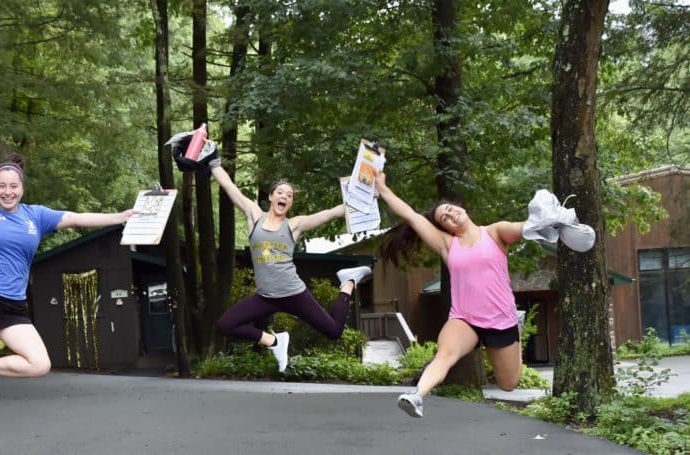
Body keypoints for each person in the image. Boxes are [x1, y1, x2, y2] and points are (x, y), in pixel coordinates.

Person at [0, 152, 135, 396]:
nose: (7, 191)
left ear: (22, 188)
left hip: (13, 305)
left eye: (13, 186)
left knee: (39, 364)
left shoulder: (36, 216)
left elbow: (77, 218)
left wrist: (119, 217)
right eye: (1, 186)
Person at [374, 171, 524, 419]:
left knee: (509, 384)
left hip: (501, 319)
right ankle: (417, 396)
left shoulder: (495, 233)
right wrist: (383, 188)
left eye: (451, 210)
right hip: (465, 319)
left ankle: (516, 327)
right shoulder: (447, 244)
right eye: (445, 217)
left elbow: (523, 228)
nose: (452, 215)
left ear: (460, 209)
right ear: (446, 228)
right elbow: (410, 215)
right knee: (446, 353)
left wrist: (550, 221)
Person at [205, 157, 373, 373]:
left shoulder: (294, 225)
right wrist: (214, 163)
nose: (284, 196)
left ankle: (348, 282)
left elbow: (330, 213)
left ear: (290, 203)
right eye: (280, 193)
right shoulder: (254, 216)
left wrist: (364, 197)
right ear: (271, 197)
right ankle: (275, 342)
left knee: (334, 331)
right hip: (265, 297)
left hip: (294, 294)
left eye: (289, 195)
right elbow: (230, 187)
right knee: (225, 325)